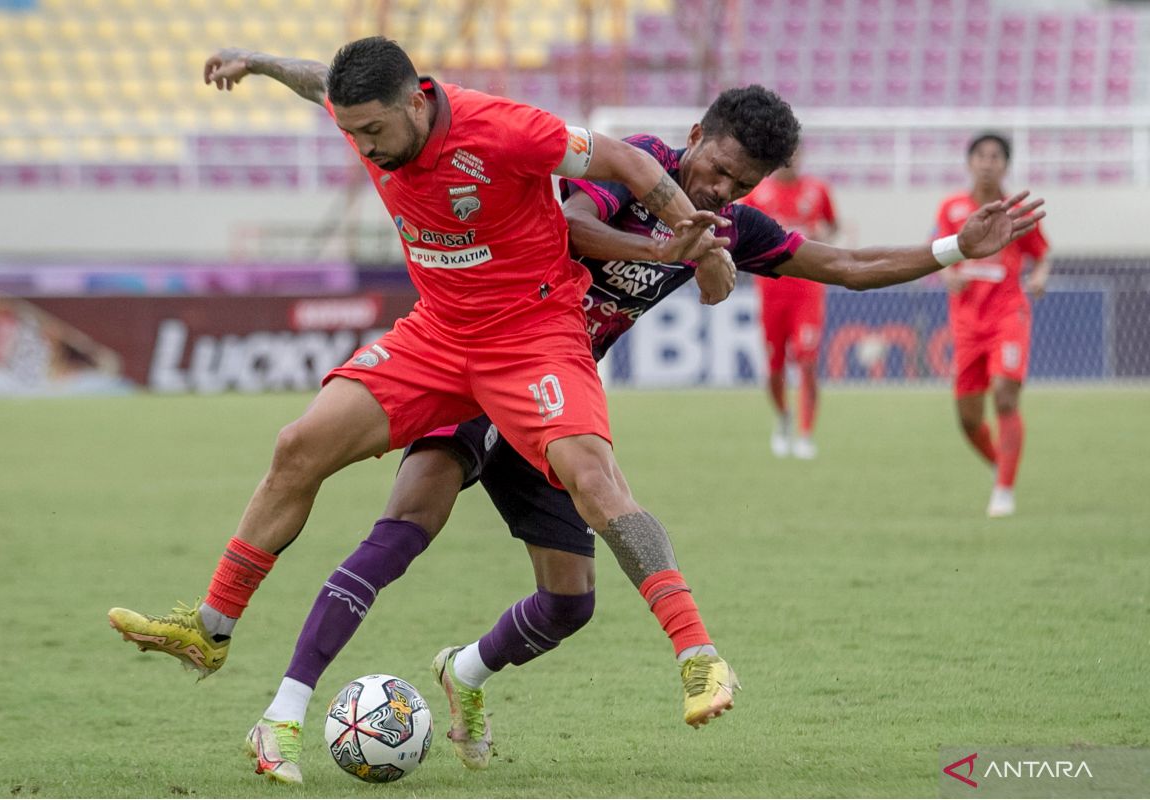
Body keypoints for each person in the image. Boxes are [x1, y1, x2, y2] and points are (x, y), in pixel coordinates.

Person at [220, 81, 1046, 782]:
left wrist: (950, 249)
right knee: (406, 525)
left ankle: (462, 670)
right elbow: (570, 224)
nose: (725, 193)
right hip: (491, 354)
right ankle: (285, 712)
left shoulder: (724, 225)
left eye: (744, 184)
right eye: (720, 170)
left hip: (556, 400)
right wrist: (676, 248)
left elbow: (845, 266)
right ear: (694, 140)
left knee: (569, 604)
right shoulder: (633, 169)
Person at [107, 34, 744, 769]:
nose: (365, 148)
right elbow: (317, 78)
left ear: (417, 99)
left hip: (532, 335)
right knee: (297, 446)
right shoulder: (366, 116)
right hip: (437, 335)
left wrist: (684, 233)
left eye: (374, 130)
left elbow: (627, 161)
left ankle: (698, 656)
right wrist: (257, 62)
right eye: (351, 133)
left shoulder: (505, 127)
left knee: (594, 481)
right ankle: (210, 628)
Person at [934, 132, 1051, 517]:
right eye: (981, 155)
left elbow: (1043, 253)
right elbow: (937, 255)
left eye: (995, 156)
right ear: (969, 163)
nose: (987, 162)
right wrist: (947, 275)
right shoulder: (952, 209)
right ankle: (1003, 465)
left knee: (1004, 396)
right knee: (968, 420)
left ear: (1005, 164)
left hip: (1007, 316)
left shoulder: (1015, 212)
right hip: (967, 324)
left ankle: (1004, 489)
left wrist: (1039, 276)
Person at [738, 146, 838, 459]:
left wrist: (825, 233)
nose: (790, 160)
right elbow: (738, 230)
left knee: (807, 363)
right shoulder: (758, 193)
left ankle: (806, 434)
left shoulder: (817, 191)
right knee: (774, 368)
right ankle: (783, 417)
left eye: (795, 153)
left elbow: (832, 227)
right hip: (770, 290)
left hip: (808, 290)